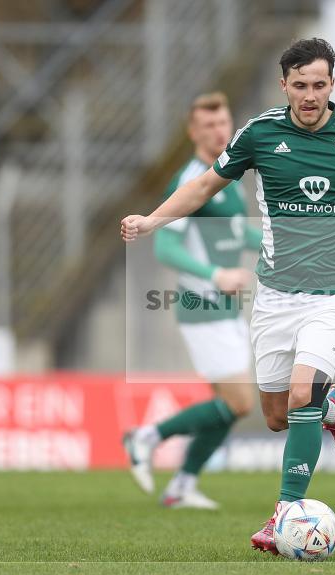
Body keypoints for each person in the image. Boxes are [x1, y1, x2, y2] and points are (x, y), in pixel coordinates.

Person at [121, 39, 335, 550]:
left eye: (319, 84)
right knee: (275, 417)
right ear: (283, 84)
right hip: (275, 299)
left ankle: (286, 513)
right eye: (300, 85)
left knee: (300, 394)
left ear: (332, 84)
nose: (310, 95)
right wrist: (153, 220)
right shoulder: (261, 134)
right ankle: (332, 410)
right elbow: (203, 187)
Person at [123, 91, 261, 510]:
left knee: (229, 406)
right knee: (241, 402)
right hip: (203, 307)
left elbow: (239, 234)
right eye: (209, 126)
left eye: (224, 123)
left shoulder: (226, 175)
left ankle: (182, 486)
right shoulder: (190, 179)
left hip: (224, 308)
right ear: (192, 132)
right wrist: (215, 274)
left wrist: (284, 242)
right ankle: (147, 436)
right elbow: (166, 247)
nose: (219, 132)